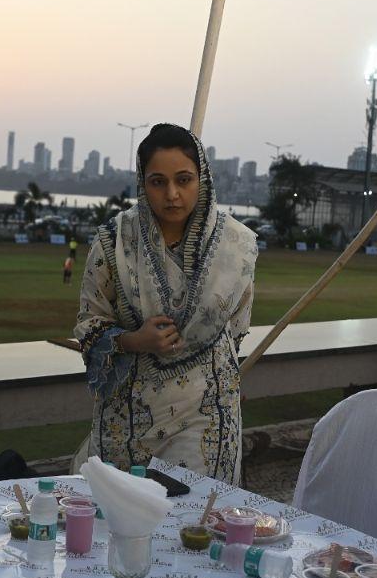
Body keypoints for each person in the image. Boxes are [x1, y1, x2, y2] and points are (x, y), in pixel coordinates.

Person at [73, 123, 257, 484]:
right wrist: (133, 340)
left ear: (201, 180)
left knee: (193, 524)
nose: (172, 194)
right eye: (158, 182)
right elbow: (89, 322)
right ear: (143, 184)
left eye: (184, 180)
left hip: (208, 413)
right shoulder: (115, 242)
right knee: (125, 520)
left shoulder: (234, 246)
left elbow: (235, 329)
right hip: (129, 419)